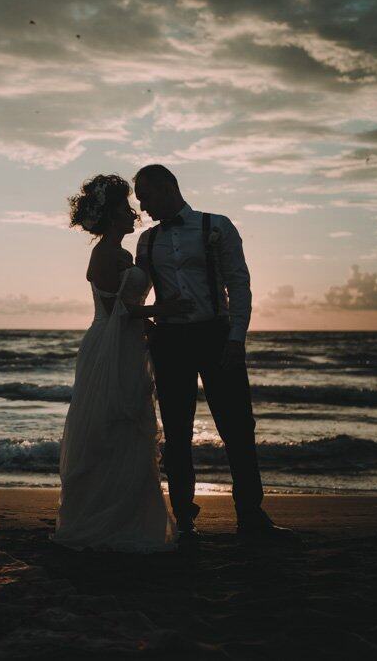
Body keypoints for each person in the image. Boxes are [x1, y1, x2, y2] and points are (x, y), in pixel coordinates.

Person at [133, 164, 292, 541]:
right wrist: (147, 323)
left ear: (168, 187)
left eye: (147, 196)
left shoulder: (217, 225)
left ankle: (250, 515)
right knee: (176, 431)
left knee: (238, 428)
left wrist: (237, 338)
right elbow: (136, 295)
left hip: (215, 335)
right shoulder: (147, 241)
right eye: (139, 199)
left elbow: (239, 284)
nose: (143, 207)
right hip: (170, 342)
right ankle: (185, 520)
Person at [53, 174, 189, 552]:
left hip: (128, 344)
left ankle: (129, 515)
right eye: (128, 209)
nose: (135, 214)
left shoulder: (122, 253)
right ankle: (102, 517)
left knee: (131, 427)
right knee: (109, 423)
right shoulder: (104, 254)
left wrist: (154, 326)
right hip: (109, 345)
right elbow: (118, 310)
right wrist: (164, 310)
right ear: (113, 214)